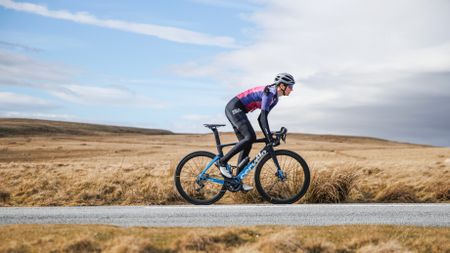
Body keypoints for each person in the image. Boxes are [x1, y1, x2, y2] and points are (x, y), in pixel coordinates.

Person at [218, 73, 295, 191]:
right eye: (290, 86)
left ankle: (236, 181)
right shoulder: (269, 93)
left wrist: (269, 135)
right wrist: (269, 136)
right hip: (234, 107)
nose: (292, 89)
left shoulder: (275, 99)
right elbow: (263, 118)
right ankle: (222, 162)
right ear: (282, 86)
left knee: (247, 144)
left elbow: (261, 119)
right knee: (250, 137)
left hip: (239, 110)